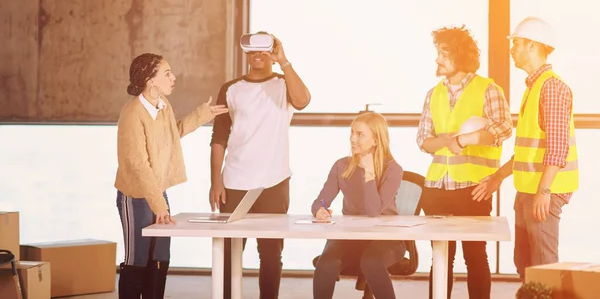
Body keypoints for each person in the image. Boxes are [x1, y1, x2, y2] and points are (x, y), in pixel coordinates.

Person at [471, 16, 578, 281]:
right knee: (525, 264)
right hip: (528, 190)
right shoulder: (533, 88)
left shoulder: (551, 87)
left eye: (516, 43)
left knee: (543, 268)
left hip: (543, 193)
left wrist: (545, 190)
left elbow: (557, 147)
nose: (511, 49)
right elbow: (528, 151)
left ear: (533, 46)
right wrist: (498, 176)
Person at [115, 53, 228, 299]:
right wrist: (159, 205)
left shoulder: (162, 106)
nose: (173, 77)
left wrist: (202, 114)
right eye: (166, 73)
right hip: (135, 196)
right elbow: (138, 165)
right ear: (150, 80)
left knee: (160, 257)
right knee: (138, 259)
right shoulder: (132, 114)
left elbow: (172, 133)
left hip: (158, 192)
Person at [209, 33, 311, 299]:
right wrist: (215, 182)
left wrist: (284, 61)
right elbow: (219, 137)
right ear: (246, 53)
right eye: (252, 50)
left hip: (274, 182)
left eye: (264, 50)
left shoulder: (283, 84)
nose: (257, 55)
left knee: (270, 254)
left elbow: (302, 101)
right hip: (234, 181)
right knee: (230, 253)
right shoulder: (230, 89)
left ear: (271, 52)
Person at [416, 25, 513, 299]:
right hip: (436, 189)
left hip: (473, 189)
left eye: (444, 52)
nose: (438, 59)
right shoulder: (433, 94)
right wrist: (446, 141)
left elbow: (504, 128)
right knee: (441, 257)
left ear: (460, 55)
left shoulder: (488, 89)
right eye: (437, 52)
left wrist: (466, 139)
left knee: (475, 256)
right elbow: (423, 140)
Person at [311, 111, 406, 299]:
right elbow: (321, 200)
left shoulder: (393, 169)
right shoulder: (341, 166)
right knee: (326, 263)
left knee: (371, 261)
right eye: (352, 133)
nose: (353, 139)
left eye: (360, 134)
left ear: (376, 140)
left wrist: (369, 172)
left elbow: (373, 212)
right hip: (351, 236)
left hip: (386, 240)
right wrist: (319, 209)